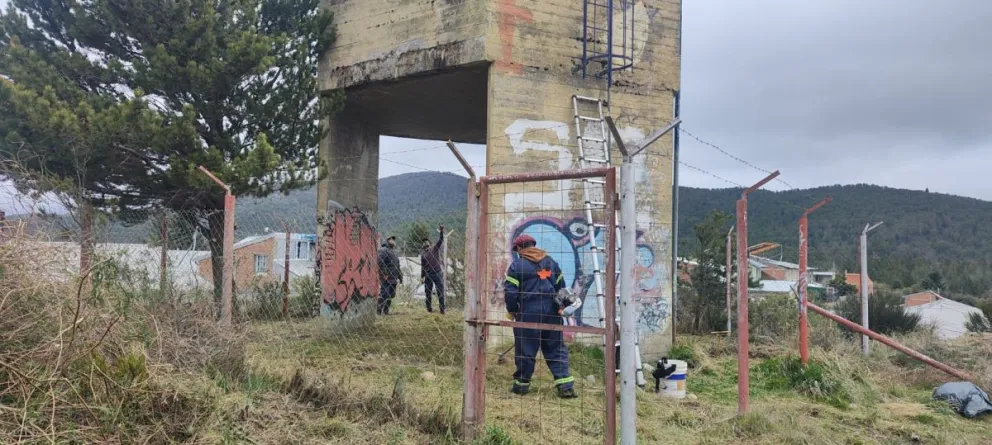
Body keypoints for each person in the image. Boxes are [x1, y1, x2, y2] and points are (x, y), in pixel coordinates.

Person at [503, 234, 576, 398]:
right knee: (556, 349)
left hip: (528, 313)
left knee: (525, 350)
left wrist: (513, 310)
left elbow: (510, 293)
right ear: (533, 245)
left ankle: (521, 386)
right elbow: (561, 288)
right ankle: (565, 386)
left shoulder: (517, 265)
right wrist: (559, 307)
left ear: (520, 248)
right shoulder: (550, 262)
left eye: (517, 250)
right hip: (552, 313)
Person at [420, 225, 445, 314]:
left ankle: (442, 309)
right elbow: (422, 267)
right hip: (428, 274)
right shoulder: (423, 254)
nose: (425, 243)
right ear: (422, 245)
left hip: (437, 273)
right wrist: (422, 277)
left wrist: (441, 231)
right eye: (423, 242)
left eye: (426, 241)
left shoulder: (434, 248)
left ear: (429, 243)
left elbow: (441, 240)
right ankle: (429, 309)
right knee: (428, 292)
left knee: (440, 291)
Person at [377, 235, 403, 315]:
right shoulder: (383, 250)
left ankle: (386, 312)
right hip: (386, 277)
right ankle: (378, 312)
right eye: (391, 239)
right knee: (384, 294)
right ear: (387, 240)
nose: (393, 240)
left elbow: (397, 265)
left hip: (393, 278)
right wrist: (384, 273)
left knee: (390, 295)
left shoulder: (394, 252)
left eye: (393, 239)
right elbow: (380, 262)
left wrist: (400, 277)